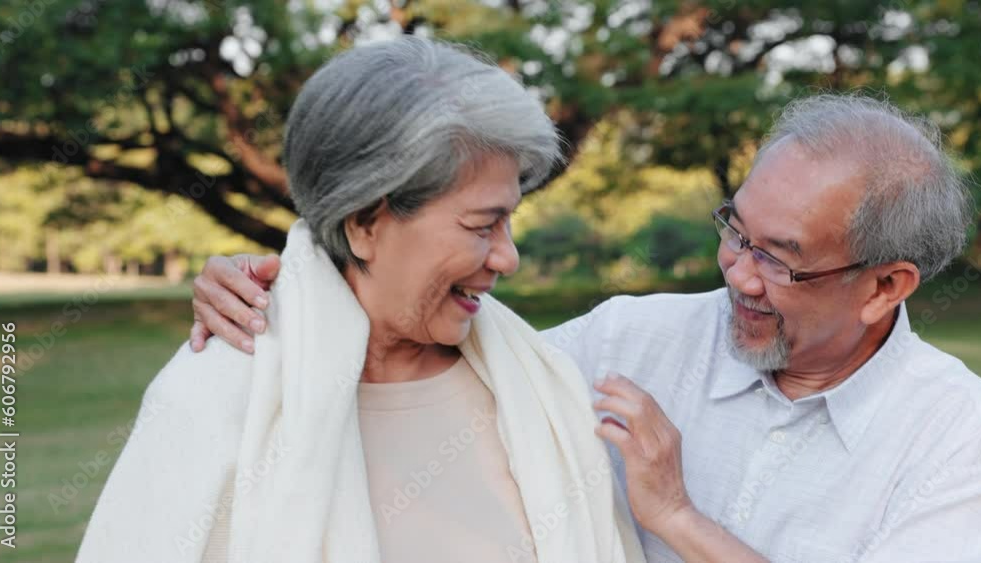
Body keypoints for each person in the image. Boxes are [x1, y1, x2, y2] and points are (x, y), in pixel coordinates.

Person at [192, 93, 981, 562]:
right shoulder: (629, 337)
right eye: (735, 231)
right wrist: (286, 287)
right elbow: (417, 345)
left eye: (780, 259)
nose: (736, 272)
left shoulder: (956, 436)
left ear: (886, 285)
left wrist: (678, 518)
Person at [78, 37, 648, 563]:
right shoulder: (212, 398)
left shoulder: (545, 383)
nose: (508, 258)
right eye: (481, 226)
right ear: (364, 225)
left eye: (509, 222)